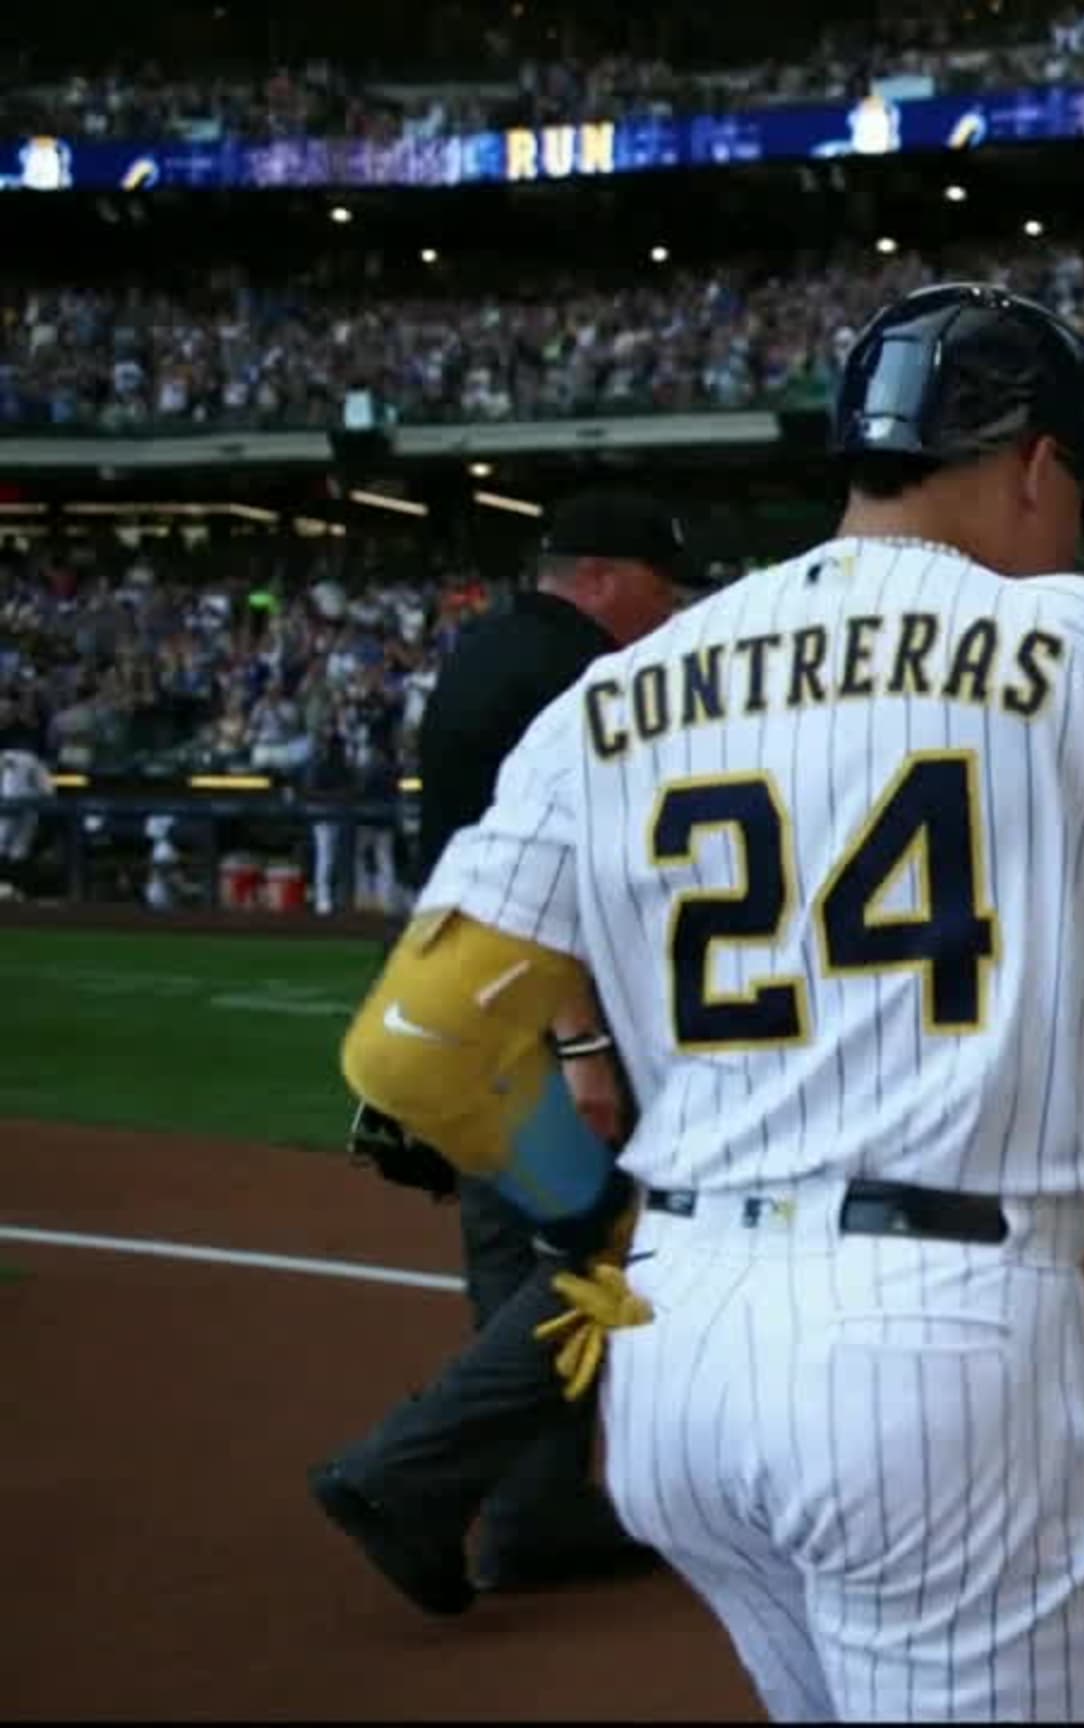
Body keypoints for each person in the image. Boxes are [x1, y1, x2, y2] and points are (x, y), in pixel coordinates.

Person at [333, 283, 1084, 1721]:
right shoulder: (1078, 640)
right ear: (1034, 463)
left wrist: (591, 1212)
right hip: (929, 1333)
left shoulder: (616, 692)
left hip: (675, 1346)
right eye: (1080, 487)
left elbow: (414, 1048)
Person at [309, 491, 694, 1614]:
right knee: (602, 1252)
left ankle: (537, 1515)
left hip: (461, 1009)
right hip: (533, 1009)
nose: (666, 617)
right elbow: (554, 875)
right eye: (661, 592)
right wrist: (582, 1044)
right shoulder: (574, 678)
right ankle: (401, 1475)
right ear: (610, 579)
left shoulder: (484, 651)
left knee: (517, 1250)